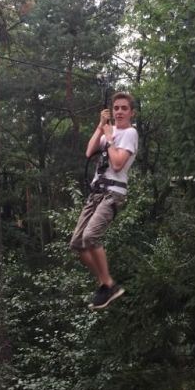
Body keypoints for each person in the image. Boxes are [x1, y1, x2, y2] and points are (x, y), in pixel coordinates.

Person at [70, 92, 138, 310]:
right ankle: (105, 284)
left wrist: (109, 139)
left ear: (132, 112)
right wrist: (101, 126)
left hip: (113, 193)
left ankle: (109, 284)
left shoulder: (130, 133)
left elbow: (117, 164)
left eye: (124, 108)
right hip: (96, 193)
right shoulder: (109, 131)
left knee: (90, 236)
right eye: (116, 108)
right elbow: (89, 151)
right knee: (77, 243)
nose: (119, 112)